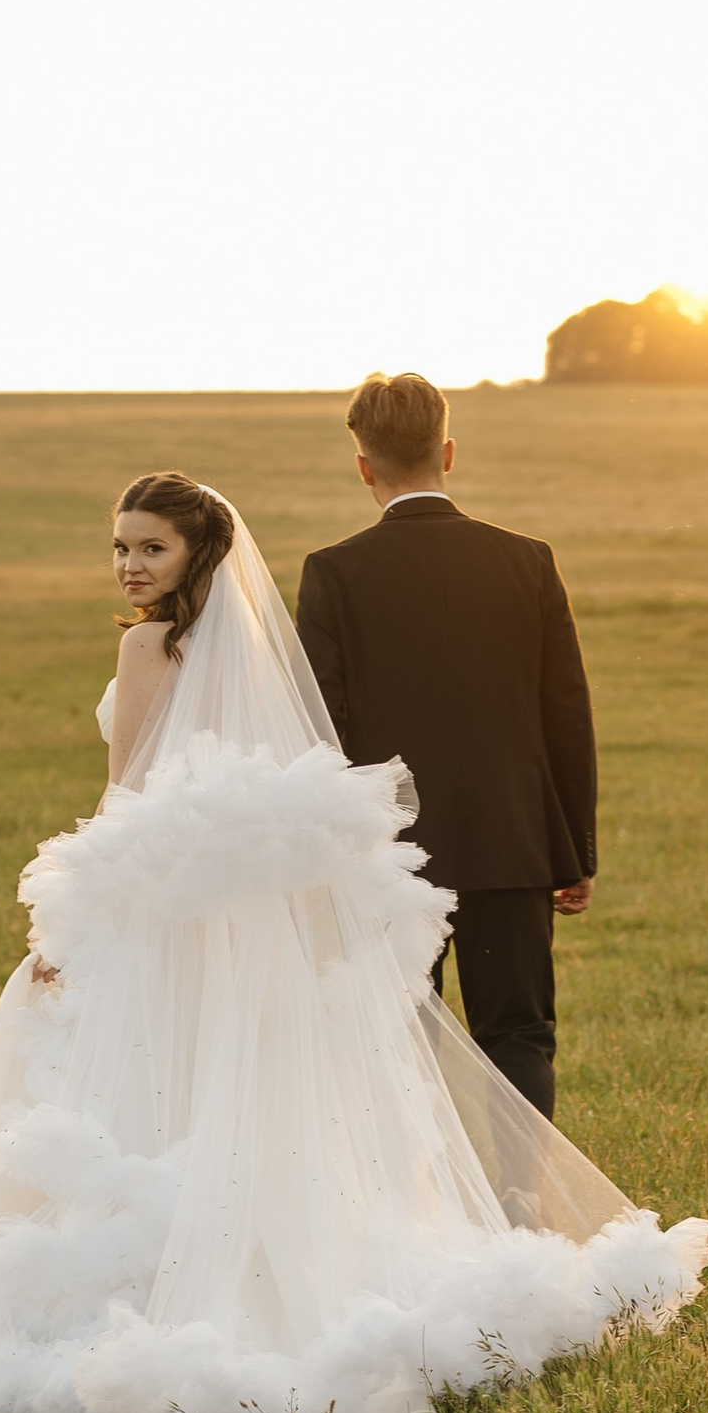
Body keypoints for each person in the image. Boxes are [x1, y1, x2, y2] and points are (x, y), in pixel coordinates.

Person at [0, 468, 708, 1413]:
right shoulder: (248, 655)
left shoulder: (145, 645)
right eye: (118, 547)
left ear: (196, 552)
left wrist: (72, 918)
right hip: (227, 919)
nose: (129, 565)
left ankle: (171, 1291)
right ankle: (274, 1271)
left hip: (160, 910)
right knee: (235, 1090)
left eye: (149, 546)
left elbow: (127, 797)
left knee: (146, 1081)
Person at [294, 370, 592, 1119]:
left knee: (398, 1035)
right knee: (518, 1035)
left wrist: (329, 859)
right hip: (512, 844)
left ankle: (422, 1218)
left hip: (391, 856)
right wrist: (573, 852)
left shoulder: (334, 574)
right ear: (448, 452)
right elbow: (565, 713)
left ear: (363, 466)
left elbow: (320, 729)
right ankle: (523, 1204)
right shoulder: (527, 560)